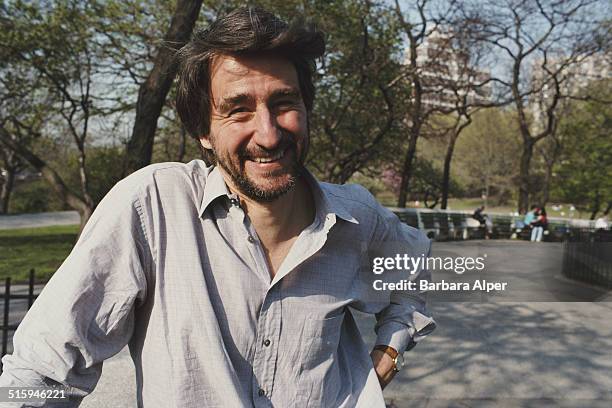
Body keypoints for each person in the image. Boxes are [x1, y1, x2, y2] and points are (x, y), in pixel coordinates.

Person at [0, 7, 435, 408]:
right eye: (238, 110)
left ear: (306, 109)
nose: (267, 134)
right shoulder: (153, 208)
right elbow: (41, 370)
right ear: (203, 131)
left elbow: (415, 272)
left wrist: (389, 354)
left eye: (284, 103)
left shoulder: (357, 218)